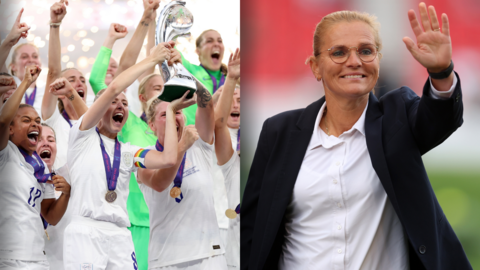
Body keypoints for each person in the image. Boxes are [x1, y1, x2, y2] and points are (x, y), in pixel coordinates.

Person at [241, 3, 472, 270]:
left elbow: (440, 119)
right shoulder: (278, 132)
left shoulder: (397, 117)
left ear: (377, 61)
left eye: (366, 51)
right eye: (338, 52)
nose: (354, 61)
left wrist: (441, 72)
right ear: (315, 67)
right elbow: (252, 230)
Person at [62, 41, 188, 270]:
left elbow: (168, 159)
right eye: (113, 103)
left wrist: (170, 111)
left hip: (120, 234)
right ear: (98, 111)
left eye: (125, 103)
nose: (120, 105)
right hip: (86, 231)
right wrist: (151, 60)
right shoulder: (82, 137)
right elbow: (112, 88)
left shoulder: (128, 152)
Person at [136, 77, 227, 269]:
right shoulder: (145, 156)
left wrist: (181, 72)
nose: (173, 117)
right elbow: (160, 184)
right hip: (166, 259)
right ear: (151, 125)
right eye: (165, 114)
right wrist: (181, 147)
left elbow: (206, 102)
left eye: (177, 111)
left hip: (208, 255)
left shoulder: (198, 144)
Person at [0, 65, 70, 270]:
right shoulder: (5, 154)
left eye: (38, 121)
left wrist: (66, 193)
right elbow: (3, 120)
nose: (36, 125)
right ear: (11, 129)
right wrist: (25, 83)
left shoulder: (41, 167)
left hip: (38, 258)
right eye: (26, 120)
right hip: (8, 257)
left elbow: (51, 215)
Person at [41, 0, 89, 170]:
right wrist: (55, 24)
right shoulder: (53, 121)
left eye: (82, 80)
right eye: (71, 80)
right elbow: (53, 72)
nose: (79, 83)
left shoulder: (95, 119)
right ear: (59, 91)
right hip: (60, 195)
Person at [214, 49, 241, 270]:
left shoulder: (262, 135)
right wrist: (231, 79)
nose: (236, 105)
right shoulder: (213, 136)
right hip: (218, 224)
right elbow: (218, 122)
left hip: (247, 226)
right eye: (231, 100)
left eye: (242, 100)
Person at [36, 122, 73, 270]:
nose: (46, 143)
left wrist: (67, 192)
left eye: (51, 140)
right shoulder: (19, 179)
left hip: (64, 264)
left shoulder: (69, 177)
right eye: (38, 139)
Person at [177, 29, 227, 125]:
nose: (216, 44)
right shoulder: (189, 71)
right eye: (209, 41)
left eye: (219, 41)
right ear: (198, 51)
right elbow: (166, 45)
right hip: (193, 136)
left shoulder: (231, 80)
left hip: (223, 137)